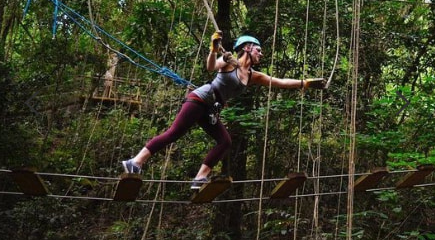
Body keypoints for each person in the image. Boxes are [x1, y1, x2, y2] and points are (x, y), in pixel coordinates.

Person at [122, 33, 326, 189]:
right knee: (174, 133)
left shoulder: (253, 75)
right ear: (247, 48)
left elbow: (280, 82)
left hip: (211, 109)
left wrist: (305, 83)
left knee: (225, 141)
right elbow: (211, 66)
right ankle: (135, 162)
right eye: (258, 50)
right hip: (200, 99)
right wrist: (213, 49)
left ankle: (200, 177)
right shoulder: (228, 63)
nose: (261, 54)